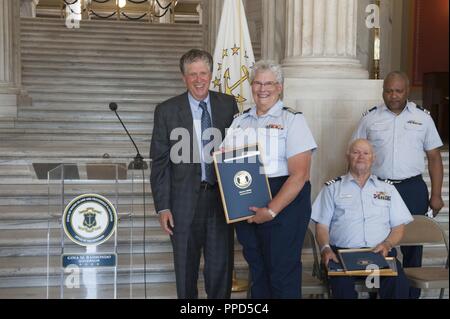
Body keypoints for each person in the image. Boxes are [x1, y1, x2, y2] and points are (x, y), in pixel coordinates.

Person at [221, 60, 317, 298]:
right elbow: (224, 161)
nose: (263, 89)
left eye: (269, 83)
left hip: (284, 199)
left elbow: (300, 174)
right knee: (258, 269)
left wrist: (272, 210)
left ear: (280, 87)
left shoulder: (293, 121)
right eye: (257, 83)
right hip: (247, 196)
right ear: (251, 86)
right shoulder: (239, 120)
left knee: (282, 272)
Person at [149, 49, 239, 299]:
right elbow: (159, 163)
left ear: (211, 74)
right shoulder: (166, 111)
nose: (199, 80)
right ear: (183, 78)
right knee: (186, 272)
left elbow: (238, 153)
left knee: (220, 270)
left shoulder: (228, 104)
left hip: (221, 202)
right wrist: (163, 207)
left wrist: (242, 197)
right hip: (182, 204)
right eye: (192, 75)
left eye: (203, 73)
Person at [351, 71, 444, 298]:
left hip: (412, 188)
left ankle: (411, 295)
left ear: (408, 91)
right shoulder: (370, 118)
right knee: (377, 243)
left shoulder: (423, 118)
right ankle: (378, 293)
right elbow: (356, 154)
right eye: (388, 90)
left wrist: (437, 194)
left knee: (413, 246)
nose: (393, 95)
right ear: (383, 91)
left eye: (398, 91)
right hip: (378, 188)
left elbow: (434, 158)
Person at [311, 139, 412, 299]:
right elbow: (321, 226)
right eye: (356, 152)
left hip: (380, 254)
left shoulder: (388, 189)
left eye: (366, 153)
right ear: (347, 156)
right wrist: (325, 248)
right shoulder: (332, 188)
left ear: (373, 158)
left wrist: (387, 244)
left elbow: (398, 227)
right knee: (342, 290)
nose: (361, 157)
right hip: (341, 255)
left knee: (398, 285)